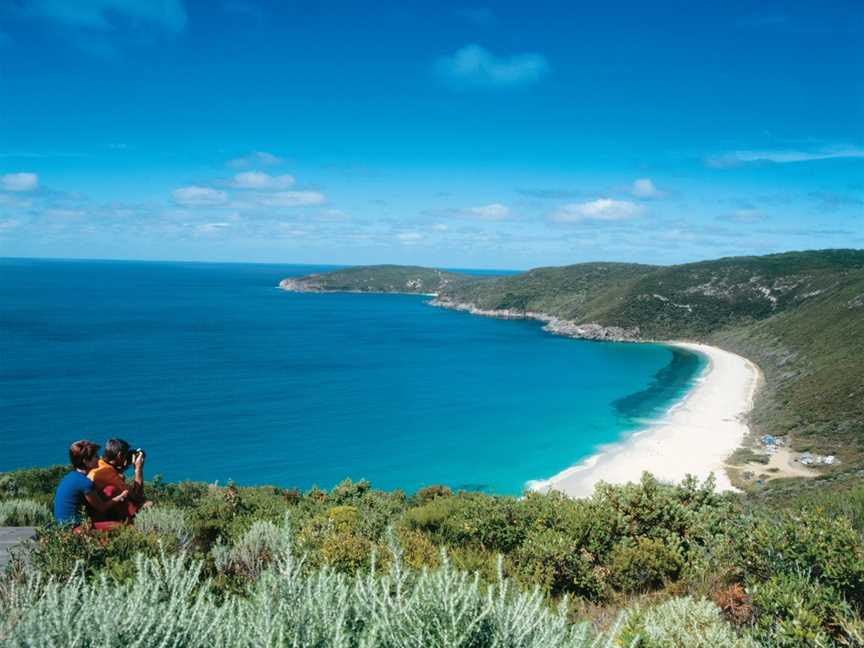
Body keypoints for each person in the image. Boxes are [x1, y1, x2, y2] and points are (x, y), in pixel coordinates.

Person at [53, 440, 129, 528]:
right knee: (120, 527)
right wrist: (121, 496)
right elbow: (102, 507)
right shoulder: (85, 483)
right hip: (73, 529)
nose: (99, 458)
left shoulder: (72, 476)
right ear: (86, 461)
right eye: (95, 456)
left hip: (62, 526)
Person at [87, 438, 153, 521]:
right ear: (120, 455)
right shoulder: (109, 473)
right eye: (125, 455)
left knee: (122, 478)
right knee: (149, 504)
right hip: (101, 514)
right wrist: (138, 469)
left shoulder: (98, 463)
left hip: (92, 509)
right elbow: (137, 496)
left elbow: (110, 472)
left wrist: (120, 468)